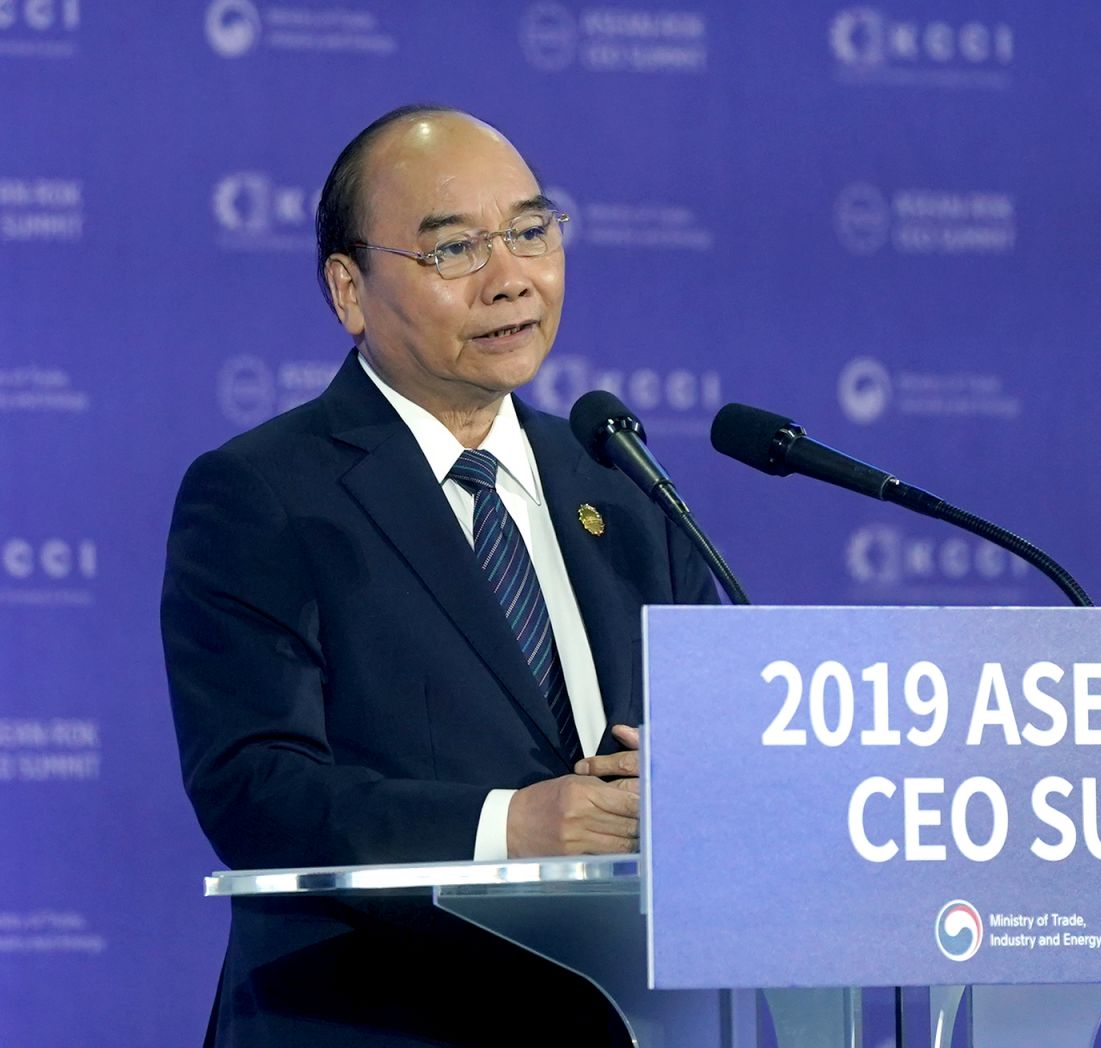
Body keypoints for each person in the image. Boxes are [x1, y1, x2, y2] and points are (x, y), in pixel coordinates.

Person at [161, 104, 717, 1046]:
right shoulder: (264, 492)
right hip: (373, 1017)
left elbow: (709, 739)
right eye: (455, 249)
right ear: (350, 290)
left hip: (622, 1019)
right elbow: (256, 789)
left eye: (532, 232)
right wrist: (509, 828)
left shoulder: (620, 484)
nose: (511, 279)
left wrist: (695, 780)